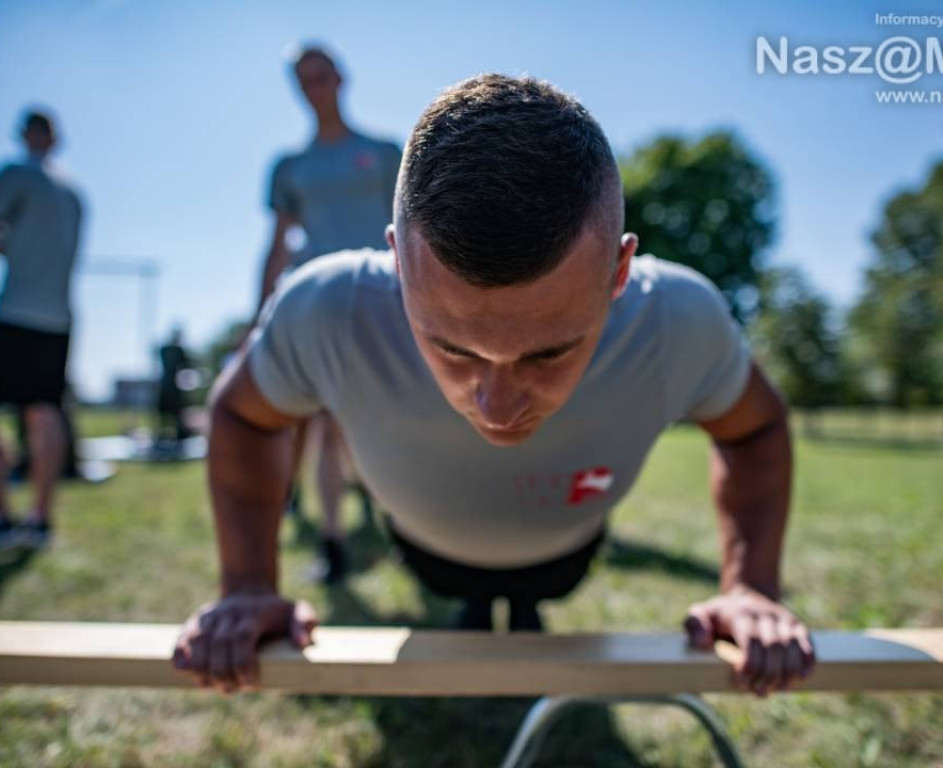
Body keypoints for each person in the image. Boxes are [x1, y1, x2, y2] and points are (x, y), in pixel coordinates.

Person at [174, 75, 815, 698]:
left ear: (618, 271)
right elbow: (244, 415)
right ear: (399, 262)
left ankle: (518, 603)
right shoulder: (327, 307)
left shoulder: (677, 319)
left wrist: (751, 586)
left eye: (550, 352)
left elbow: (755, 426)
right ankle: (484, 602)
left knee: (530, 593)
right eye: (453, 349)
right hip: (427, 553)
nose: (497, 408)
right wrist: (247, 582)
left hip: (566, 555)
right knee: (471, 597)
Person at [258, 43, 401, 581]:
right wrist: (261, 313)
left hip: (384, 296)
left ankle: (409, 526)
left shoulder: (383, 153)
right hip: (318, 301)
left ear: (341, 77)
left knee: (388, 413)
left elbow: (413, 227)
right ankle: (334, 540)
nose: (315, 86)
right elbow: (277, 244)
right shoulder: (291, 167)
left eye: (322, 75)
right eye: (304, 79)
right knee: (325, 420)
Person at [0, 109, 84, 550]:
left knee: (30, 414)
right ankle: (40, 520)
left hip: (16, 310)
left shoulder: (17, 175)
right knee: (46, 412)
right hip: (59, 316)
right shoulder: (74, 192)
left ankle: (4, 517)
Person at [155, 326, 194, 445]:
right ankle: (175, 435)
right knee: (174, 413)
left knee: (166, 414)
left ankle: (164, 434)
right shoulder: (178, 350)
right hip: (174, 386)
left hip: (165, 385)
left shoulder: (164, 349)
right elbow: (187, 365)